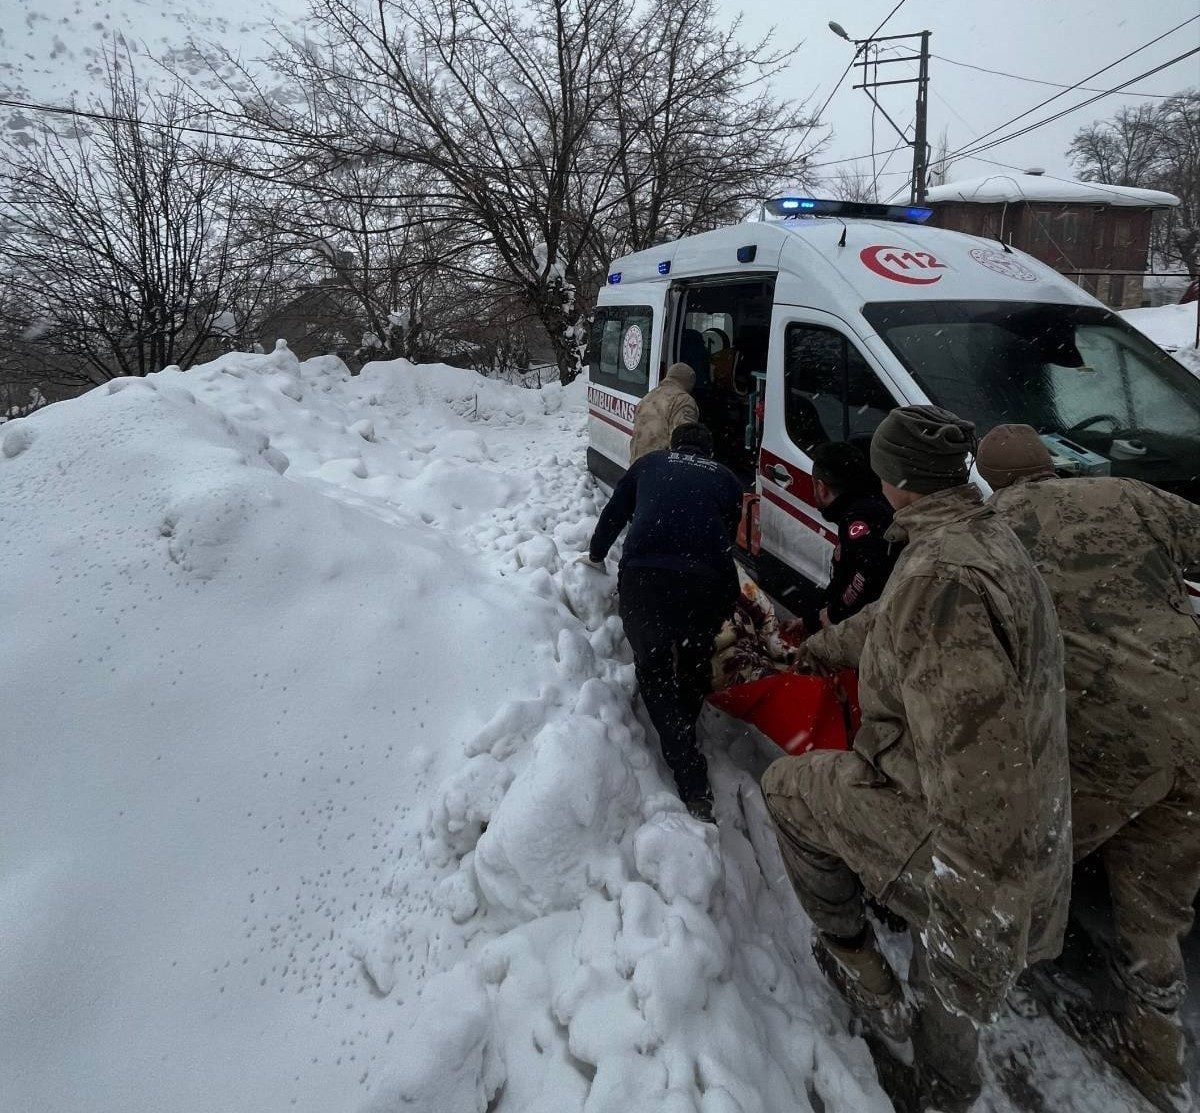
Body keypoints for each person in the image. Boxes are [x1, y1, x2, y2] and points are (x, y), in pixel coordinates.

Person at [760, 405, 1072, 1113]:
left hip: (984, 853)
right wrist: (813, 648)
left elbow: (978, 778)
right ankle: (946, 1083)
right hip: (1025, 836)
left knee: (788, 790)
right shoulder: (975, 533)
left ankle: (864, 974)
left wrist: (976, 920)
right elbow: (885, 620)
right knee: (945, 958)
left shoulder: (946, 584)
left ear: (895, 478)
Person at [978, 423, 1200, 1113]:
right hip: (1194, 714)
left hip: (1106, 737)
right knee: (1157, 899)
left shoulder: (994, 530)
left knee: (1026, 858)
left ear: (994, 479)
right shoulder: (1136, 496)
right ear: (1051, 465)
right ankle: (1154, 1049)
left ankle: (992, 973)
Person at [588, 422, 742, 822]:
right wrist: (725, 602)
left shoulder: (649, 463)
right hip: (704, 583)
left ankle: (688, 769)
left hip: (645, 578)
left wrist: (595, 553)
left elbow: (614, 513)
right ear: (707, 452)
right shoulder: (726, 479)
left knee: (654, 669)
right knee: (693, 663)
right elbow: (726, 541)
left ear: (675, 445)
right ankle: (683, 731)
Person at [810, 441, 899, 627]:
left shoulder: (860, 518)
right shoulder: (871, 502)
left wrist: (834, 614)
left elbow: (867, 576)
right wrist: (810, 620)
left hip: (872, 631)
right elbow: (844, 577)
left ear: (821, 488)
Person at [628, 362, 700, 464]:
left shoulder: (650, 396)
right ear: (689, 381)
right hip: (661, 468)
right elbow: (684, 442)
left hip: (638, 465)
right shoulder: (683, 400)